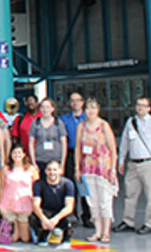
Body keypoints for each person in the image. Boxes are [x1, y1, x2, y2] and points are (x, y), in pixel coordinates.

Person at [115, 96, 151, 235]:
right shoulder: (130, 122)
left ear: (149, 108)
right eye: (138, 105)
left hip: (148, 163)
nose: (140, 108)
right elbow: (125, 142)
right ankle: (128, 220)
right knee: (129, 194)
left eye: (144, 105)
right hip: (133, 163)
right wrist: (121, 160)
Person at [75, 98, 118, 244]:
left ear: (98, 110)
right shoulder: (82, 126)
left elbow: (113, 149)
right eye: (88, 108)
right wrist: (77, 168)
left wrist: (113, 170)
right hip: (88, 168)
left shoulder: (104, 126)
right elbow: (77, 149)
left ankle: (106, 232)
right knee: (92, 201)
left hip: (103, 168)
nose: (90, 111)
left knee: (105, 200)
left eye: (93, 108)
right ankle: (97, 230)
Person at [59, 91, 90, 227]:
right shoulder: (64, 119)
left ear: (83, 102)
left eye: (78, 100)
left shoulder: (88, 118)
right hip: (70, 154)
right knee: (71, 186)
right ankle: (73, 215)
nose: (75, 103)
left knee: (86, 186)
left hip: (86, 155)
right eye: (72, 100)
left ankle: (87, 216)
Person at [0, 144, 37, 243]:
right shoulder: (5, 169)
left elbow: (36, 188)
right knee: (14, 239)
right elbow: (1, 187)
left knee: (25, 239)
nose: (17, 155)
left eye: (19, 152)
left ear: (24, 154)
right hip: (8, 205)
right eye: (14, 153)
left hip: (25, 205)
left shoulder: (31, 170)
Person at [31, 160, 76, 244]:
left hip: (60, 213)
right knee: (33, 218)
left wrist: (56, 219)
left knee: (71, 219)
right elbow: (35, 205)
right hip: (46, 212)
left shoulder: (68, 184)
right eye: (49, 170)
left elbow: (69, 206)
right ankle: (43, 235)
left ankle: (66, 238)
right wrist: (44, 219)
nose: (52, 172)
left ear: (60, 171)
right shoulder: (38, 184)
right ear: (45, 171)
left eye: (55, 170)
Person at [29, 98, 68, 176]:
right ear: (40, 109)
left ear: (53, 109)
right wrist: (33, 162)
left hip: (56, 160)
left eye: (48, 107)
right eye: (43, 107)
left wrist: (62, 164)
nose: (45, 109)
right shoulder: (35, 123)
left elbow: (64, 144)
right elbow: (31, 143)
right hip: (40, 160)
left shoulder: (59, 123)